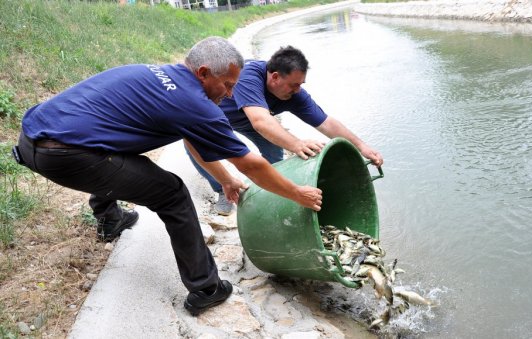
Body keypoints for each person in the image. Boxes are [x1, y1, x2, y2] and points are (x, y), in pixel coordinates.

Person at [13, 37, 322, 316]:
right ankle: (206, 288)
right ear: (203, 73)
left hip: (32, 138)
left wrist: (225, 179)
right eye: (227, 85)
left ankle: (110, 219)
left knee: (119, 150)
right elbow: (251, 165)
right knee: (172, 192)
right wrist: (297, 193)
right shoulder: (196, 105)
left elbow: (192, 139)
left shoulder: (157, 75)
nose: (229, 94)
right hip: (64, 155)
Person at [185, 46, 383, 215]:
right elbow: (261, 122)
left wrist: (362, 147)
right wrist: (297, 143)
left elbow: (326, 123)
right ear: (275, 77)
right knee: (196, 145)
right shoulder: (249, 74)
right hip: (218, 118)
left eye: (301, 85)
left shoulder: (295, 95)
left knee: (275, 158)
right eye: (294, 85)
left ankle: (279, 195)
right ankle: (221, 189)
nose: (298, 90)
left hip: (251, 121)